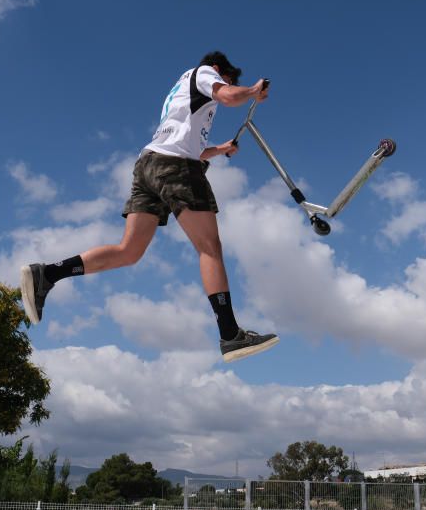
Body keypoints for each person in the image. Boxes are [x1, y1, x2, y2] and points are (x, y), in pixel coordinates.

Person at [20, 51, 278, 363]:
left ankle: (46, 274)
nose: (227, 84)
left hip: (149, 165)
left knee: (129, 251)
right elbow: (227, 97)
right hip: (174, 167)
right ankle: (230, 334)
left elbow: (187, 145)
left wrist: (220, 149)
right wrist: (251, 90)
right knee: (209, 246)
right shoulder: (205, 73)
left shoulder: (183, 92)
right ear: (220, 70)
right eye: (228, 79)